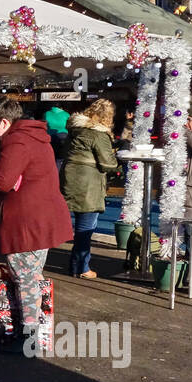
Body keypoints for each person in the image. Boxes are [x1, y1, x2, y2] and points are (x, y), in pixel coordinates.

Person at [0, 99, 73, 350]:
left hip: (26, 221)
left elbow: (1, 181)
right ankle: (35, 332)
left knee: (25, 278)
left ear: (4, 122)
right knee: (31, 276)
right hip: (41, 218)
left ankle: (28, 337)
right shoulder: (35, 137)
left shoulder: (17, 141)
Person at [61, 98, 118, 279]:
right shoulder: (99, 134)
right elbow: (107, 164)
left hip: (70, 178)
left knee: (72, 224)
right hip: (89, 184)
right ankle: (82, 267)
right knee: (85, 227)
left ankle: (75, 265)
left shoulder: (75, 129)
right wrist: (118, 159)